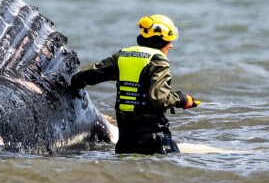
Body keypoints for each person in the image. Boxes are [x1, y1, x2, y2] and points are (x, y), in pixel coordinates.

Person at [69, 14, 197, 155]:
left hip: (126, 137)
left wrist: (71, 84)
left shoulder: (123, 55)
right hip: (153, 136)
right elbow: (159, 99)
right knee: (166, 170)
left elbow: (90, 74)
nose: (171, 45)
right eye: (169, 41)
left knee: (128, 169)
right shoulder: (158, 60)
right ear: (160, 40)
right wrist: (182, 99)